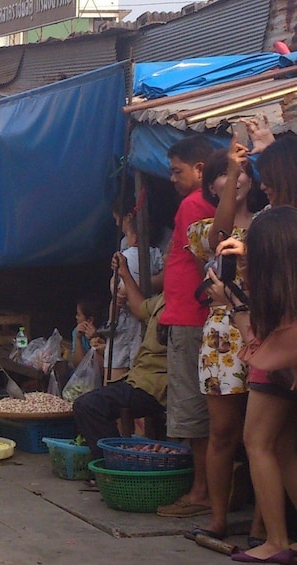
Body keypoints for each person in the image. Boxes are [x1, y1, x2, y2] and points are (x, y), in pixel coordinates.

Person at [185, 145, 266, 544]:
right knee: (223, 433)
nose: (235, 175)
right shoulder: (202, 229)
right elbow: (220, 236)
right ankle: (217, 520)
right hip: (222, 335)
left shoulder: (272, 221)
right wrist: (234, 174)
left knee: (263, 437)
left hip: (266, 329)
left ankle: (260, 527)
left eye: (242, 168)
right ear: (212, 186)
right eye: (224, 173)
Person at [220, 206, 297, 564]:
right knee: (282, 449)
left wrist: (233, 302)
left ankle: (276, 540)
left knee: (259, 443)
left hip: (274, 371)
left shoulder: (276, 289)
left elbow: (258, 345)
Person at [155, 135, 216, 519]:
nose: (173, 179)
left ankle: (201, 491)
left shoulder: (193, 205)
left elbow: (202, 266)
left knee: (195, 415)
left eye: (177, 171)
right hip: (190, 317)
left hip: (192, 320)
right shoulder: (203, 204)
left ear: (200, 170)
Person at [73, 255, 166, 463]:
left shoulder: (183, 302)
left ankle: (115, 465)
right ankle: (116, 461)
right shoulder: (163, 299)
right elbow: (140, 308)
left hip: (154, 386)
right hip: (139, 379)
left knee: (88, 405)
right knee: (89, 403)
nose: (166, 258)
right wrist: (124, 273)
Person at [103, 192, 166, 382]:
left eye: (118, 219)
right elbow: (118, 274)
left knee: (133, 372)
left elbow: (166, 278)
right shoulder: (125, 244)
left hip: (143, 313)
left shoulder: (161, 243)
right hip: (126, 315)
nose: (117, 224)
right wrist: (115, 288)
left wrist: (132, 287)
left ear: (130, 217)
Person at [71, 293, 108, 368]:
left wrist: (96, 338)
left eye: (78, 315)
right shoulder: (77, 332)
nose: (76, 317)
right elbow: (78, 364)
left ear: (90, 320)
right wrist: (78, 339)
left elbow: (103, 365)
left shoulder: (106, 331)